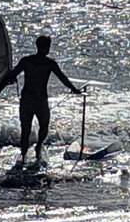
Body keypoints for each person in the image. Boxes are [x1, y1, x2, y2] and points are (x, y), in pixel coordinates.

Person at [7, 35, 82, 166]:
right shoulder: (31, 62)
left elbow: (62, 78)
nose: (47, 49)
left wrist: (73, 89)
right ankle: (24, 155)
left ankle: (37, 147)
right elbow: (12, 75)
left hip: (35, 99)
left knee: (41, 127)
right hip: (32, 100)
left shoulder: (45, 63)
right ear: (42, 47)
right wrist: (11, 79)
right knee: (28, 129)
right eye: (46, 46)